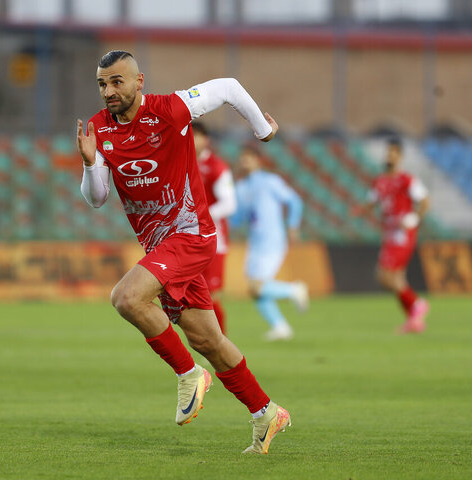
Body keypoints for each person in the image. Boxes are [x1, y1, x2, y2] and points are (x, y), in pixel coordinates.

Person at [76, 50, 290, 454]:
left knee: (126, 297)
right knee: (208, 338)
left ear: (139, 82)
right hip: (161, 246)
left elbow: (227, 87)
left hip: (191, 235)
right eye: (102, 84)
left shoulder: (171, 109)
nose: (108, 91)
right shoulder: (98, 129)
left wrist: (263, 130)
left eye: (117, 82)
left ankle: (189, 374)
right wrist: (90, 165)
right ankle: (266, 413)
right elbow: (98, 198)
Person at [231, 144, 309, 341]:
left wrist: (293, 225)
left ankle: (294, 290)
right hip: (255, 241)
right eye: (242, 157)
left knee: (257, 286)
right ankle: (280, 327)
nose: (244, 161)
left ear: (258, 160)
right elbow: (237, 218)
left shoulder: (270, 181)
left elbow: (295, 201)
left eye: (248, 157)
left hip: (272, 239)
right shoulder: (240, 188)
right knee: (253, 288)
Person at [352, 138, 430, 333]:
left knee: (386, 276)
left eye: (393, 153)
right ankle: (414, 319)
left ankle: (417, 304)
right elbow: (372, 202)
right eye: (388, 153)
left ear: (400, 156)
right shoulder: (380, 181)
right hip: (389, 233)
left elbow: (425, 202)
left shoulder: (407, 180)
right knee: (396, 279)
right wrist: (360, 211)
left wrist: (413, 218)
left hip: (402, 234)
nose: (389, 156)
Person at [192, 122, 236, 335]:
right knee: (190, 296)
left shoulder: (217, 167)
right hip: (188, 238)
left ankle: (222, 343)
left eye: (196, 136)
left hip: (213, 241)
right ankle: (208, 340)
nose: (192, 140)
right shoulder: (181, 162)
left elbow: (229, 204)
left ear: (206, 139)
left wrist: (201, 216)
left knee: (210, 294)